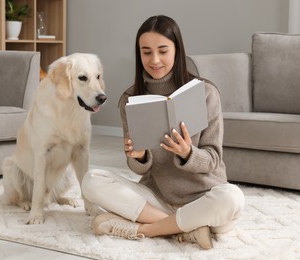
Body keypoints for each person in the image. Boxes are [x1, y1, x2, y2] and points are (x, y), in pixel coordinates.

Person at [81, 15, 245, 250]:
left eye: (163, 51)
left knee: (232, 198)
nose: (154, 60)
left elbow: (213, 159)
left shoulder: (206, 93)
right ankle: (187, 228)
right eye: (146, 52)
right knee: (92, 180)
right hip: (158, 200)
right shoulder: (130, 99)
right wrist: (139, 157)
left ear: (177, 51)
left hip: (205, 197)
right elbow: (138, 168)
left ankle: (146, 229)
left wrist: (188, 153)